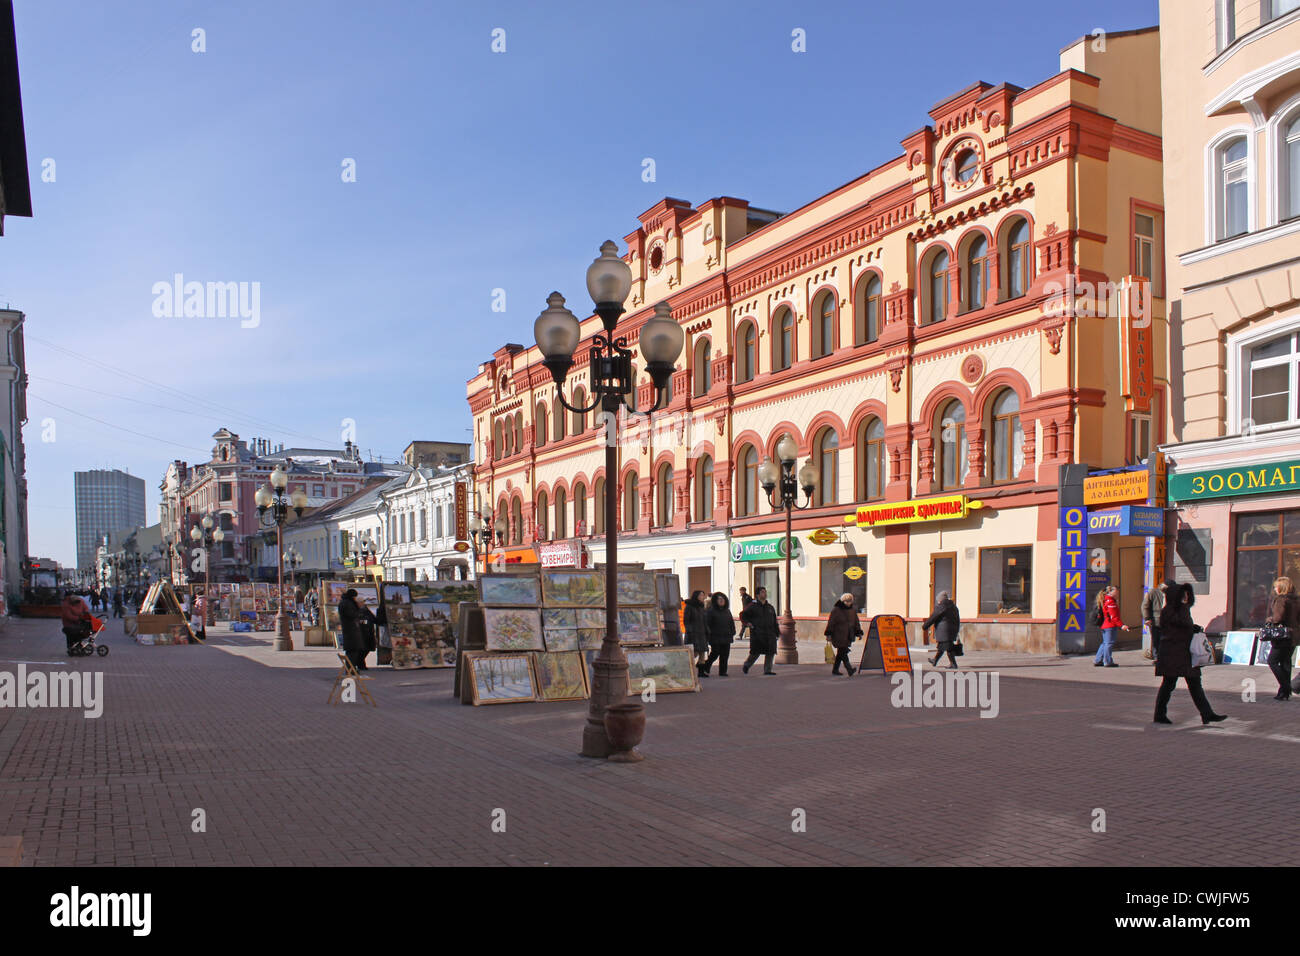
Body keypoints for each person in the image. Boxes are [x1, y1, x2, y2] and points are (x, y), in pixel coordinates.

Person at [1154, 582, 1227, 724]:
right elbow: (1179, 628)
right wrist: (1191, 629)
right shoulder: (1177, 610)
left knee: (1185, 684)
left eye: (1187, 594)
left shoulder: (1170, 610)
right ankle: (1160, 715)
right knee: (1173, 684)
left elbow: (1179, 627)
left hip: (1178, 654)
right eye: (1184, 594)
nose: (1186, 597)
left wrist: (1192, 628)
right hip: (1177, 654)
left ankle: (1207, 714)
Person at [1264, 576, 1297, 701]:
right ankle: (1283, 693)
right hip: (1293, 635)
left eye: (1276, 586)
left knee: (1272, 661)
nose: (1274, 589)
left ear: (1281, 587)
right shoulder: (1296, 600)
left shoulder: (1281, 600)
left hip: (1282, 636)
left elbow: (1277, 618)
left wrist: (1269, 619)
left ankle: (1286, 687)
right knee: (1285, 663)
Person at [740, 586, 779, 675]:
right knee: (755, 652)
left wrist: (777, 632)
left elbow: (774, 620)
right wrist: (747, 623)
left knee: (770, 652)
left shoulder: (770, 607)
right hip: (758, 633)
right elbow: (742, 615)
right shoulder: (752, 606)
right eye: (762, 592)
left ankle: (767, 670)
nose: (764, 594)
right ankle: (747, 665)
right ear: (757, 595)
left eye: (765, 592)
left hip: (770, 633)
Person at [825, 592, 863, 676]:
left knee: (840, 653)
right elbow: (831, 622)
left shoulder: (852, 610)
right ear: (843, 601)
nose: (848, 603)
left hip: (848, 635)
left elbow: (856, 622)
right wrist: (829, 634)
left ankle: (835, 670)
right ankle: (849, 669)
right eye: (847, 601)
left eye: (850, 601)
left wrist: (859, 632)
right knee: (843, 651)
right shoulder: (836, 610)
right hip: (838, 635)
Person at [338, 589, 376, 671]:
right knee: (352, 652)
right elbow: (352, 615)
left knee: (353, 651)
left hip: (352, 631)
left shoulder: (346, 603)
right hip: (351, 631)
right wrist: (358, 608)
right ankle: (350, 670)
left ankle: (351, 669)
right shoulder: (347, 604)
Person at [1092, 585, 1130, 668]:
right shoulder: (1110, 602)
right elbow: (1114, 617)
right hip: (1109, 625)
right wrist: (1122, 625)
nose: (1117, 592)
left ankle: (1098, 660)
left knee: (1105, 643)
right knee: (1109, 643)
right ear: (1110, 592)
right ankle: (1107, 661)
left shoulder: (1106, 600)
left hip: (1105, 625)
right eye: (1116, 591)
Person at [923, 591, 961, 668]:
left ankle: (953, 664)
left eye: (938, 600)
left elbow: (933, 617)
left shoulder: (942, 606)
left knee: (948, 648)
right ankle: (935, 660)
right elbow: (958, 619)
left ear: (941, 599)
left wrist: (925, 626)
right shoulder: (954, 607)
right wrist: (956, 629)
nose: (938, 601)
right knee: (942, 647)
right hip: (952, 630)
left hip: (944, 631)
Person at [702, 592, 735, 677]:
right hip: (715, 636)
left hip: (727, 635)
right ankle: (706, 666)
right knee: (715, 653)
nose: (721, 601)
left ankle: (723, 671)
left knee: (725, 654)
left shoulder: (727, 611)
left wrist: (732, 631)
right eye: (719, 599)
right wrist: (708, 634)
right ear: (715, 601)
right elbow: (707, 624)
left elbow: (731, 622)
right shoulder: (711, 611)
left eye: (723, 599)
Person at [1141, 580, 1171, 662]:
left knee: (1166, 640)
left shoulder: (1172, 593)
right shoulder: (1153, 592)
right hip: (1156, 620)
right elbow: (1145, 606)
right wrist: (1147, 618)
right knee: (1156, 639)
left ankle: (1165, 656)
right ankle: (1157, 657)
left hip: (1168, 621)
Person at [683, 590, 709, 677]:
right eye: (701, 595)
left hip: (702, 633)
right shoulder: (689, 606)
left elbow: (704, 620)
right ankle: (685, 669)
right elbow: (686, 620)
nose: (703, 597)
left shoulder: (702, 607)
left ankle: (701, 672)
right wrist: (690, 630)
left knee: (702, 653)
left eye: (703, 595)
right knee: (694, 653)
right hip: (693, 633)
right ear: (696, 596)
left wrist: (707, 630)